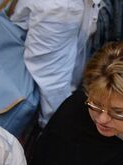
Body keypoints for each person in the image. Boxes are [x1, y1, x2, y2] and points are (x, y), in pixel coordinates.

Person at [9, 0, 100, 129]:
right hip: (30, 107)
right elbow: (52, 83)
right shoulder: (59, 7)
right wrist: (57, 128)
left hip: (37, 91)